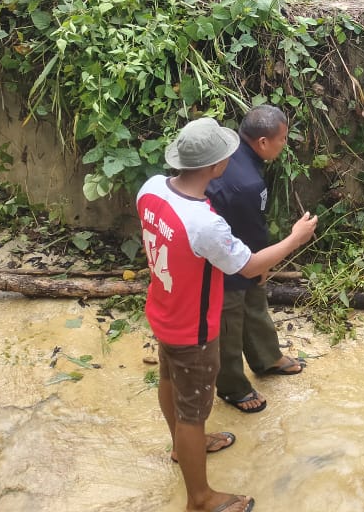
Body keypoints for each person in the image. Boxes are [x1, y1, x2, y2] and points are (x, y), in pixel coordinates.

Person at [137, 116, 318, 512]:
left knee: (169, 379)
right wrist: (295, 238)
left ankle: (181, 448)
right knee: (193, 412)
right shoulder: (205, 224)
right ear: (215, 167)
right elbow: (250, 266)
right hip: (193, 327)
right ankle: (200, 498)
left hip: (162, 309)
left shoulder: (150, 190)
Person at [206, 105, 305, 416]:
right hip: (221, 258)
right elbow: (251, 229)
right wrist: (261, 265)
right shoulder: (248, 184)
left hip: (238, 243)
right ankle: (233, 387)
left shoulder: (234, 150)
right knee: (229, 323)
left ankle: (266, 358)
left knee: (255, 304)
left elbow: (251, 226)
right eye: (283, 139)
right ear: (262, 142)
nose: (285, 145)